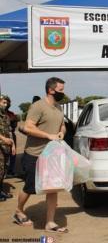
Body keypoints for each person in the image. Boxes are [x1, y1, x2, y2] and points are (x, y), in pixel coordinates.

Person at [14, 77, 68, 233]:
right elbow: (27, 127)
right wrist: (47, 136)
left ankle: (50, 222)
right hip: (34, 154)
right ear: (51, 90)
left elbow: (62, 125)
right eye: (61, 90)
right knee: (31, 187)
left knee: (53, 188)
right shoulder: (38, 106)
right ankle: (19, 211)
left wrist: (61, 132)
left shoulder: (59, 107)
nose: (63, 93)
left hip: (52, 155)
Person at [0, 95, 16, 201]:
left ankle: (1, 192)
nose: (5, 105)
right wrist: (3, 139)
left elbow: (10, 131)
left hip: (6, 147)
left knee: (3, 170)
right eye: (3, 102)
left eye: (6, 103)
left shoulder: (5, 116)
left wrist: (13, 145)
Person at [5, 96, 19, 177]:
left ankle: (11, 171)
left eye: (8, 102)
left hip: (11, 135)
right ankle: (4, 172)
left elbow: (14, 124)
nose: (6, 104)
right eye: (4, 102)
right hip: (2, 137)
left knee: (12, 153)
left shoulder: (11, 114)